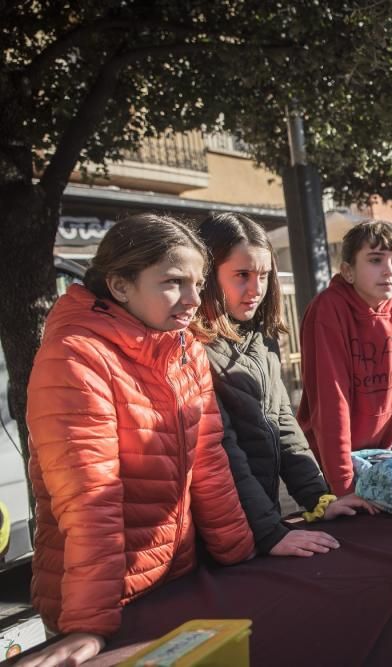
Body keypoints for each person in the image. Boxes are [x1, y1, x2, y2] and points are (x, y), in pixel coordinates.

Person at [23, 214, 254, 666]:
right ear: (120, 285)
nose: (193, 300)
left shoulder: (180, 344)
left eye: (197, 282)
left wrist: (241, 556)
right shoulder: (76, 355)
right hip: (100, 603)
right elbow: (91, 497)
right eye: (172, 282)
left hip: (175, 580)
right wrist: (89, 625)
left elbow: (207, 460)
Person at [192, 212, 376, 559]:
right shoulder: (194, 347)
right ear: (207, 275)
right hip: (221, 535)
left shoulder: (261, 339)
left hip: (263, 519)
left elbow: (283, 424)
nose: (257, 288)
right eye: (242, 275)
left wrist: (319, 499)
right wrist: (269, 532)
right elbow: (223, 451)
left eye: (263, 275)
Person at [297, 221, 392, 496]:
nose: (388, 270)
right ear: (347, 271)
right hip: (327, 461)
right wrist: (343, 487)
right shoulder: (328, 309)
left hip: (379, 452)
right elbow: (331, 402)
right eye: (375, 260)